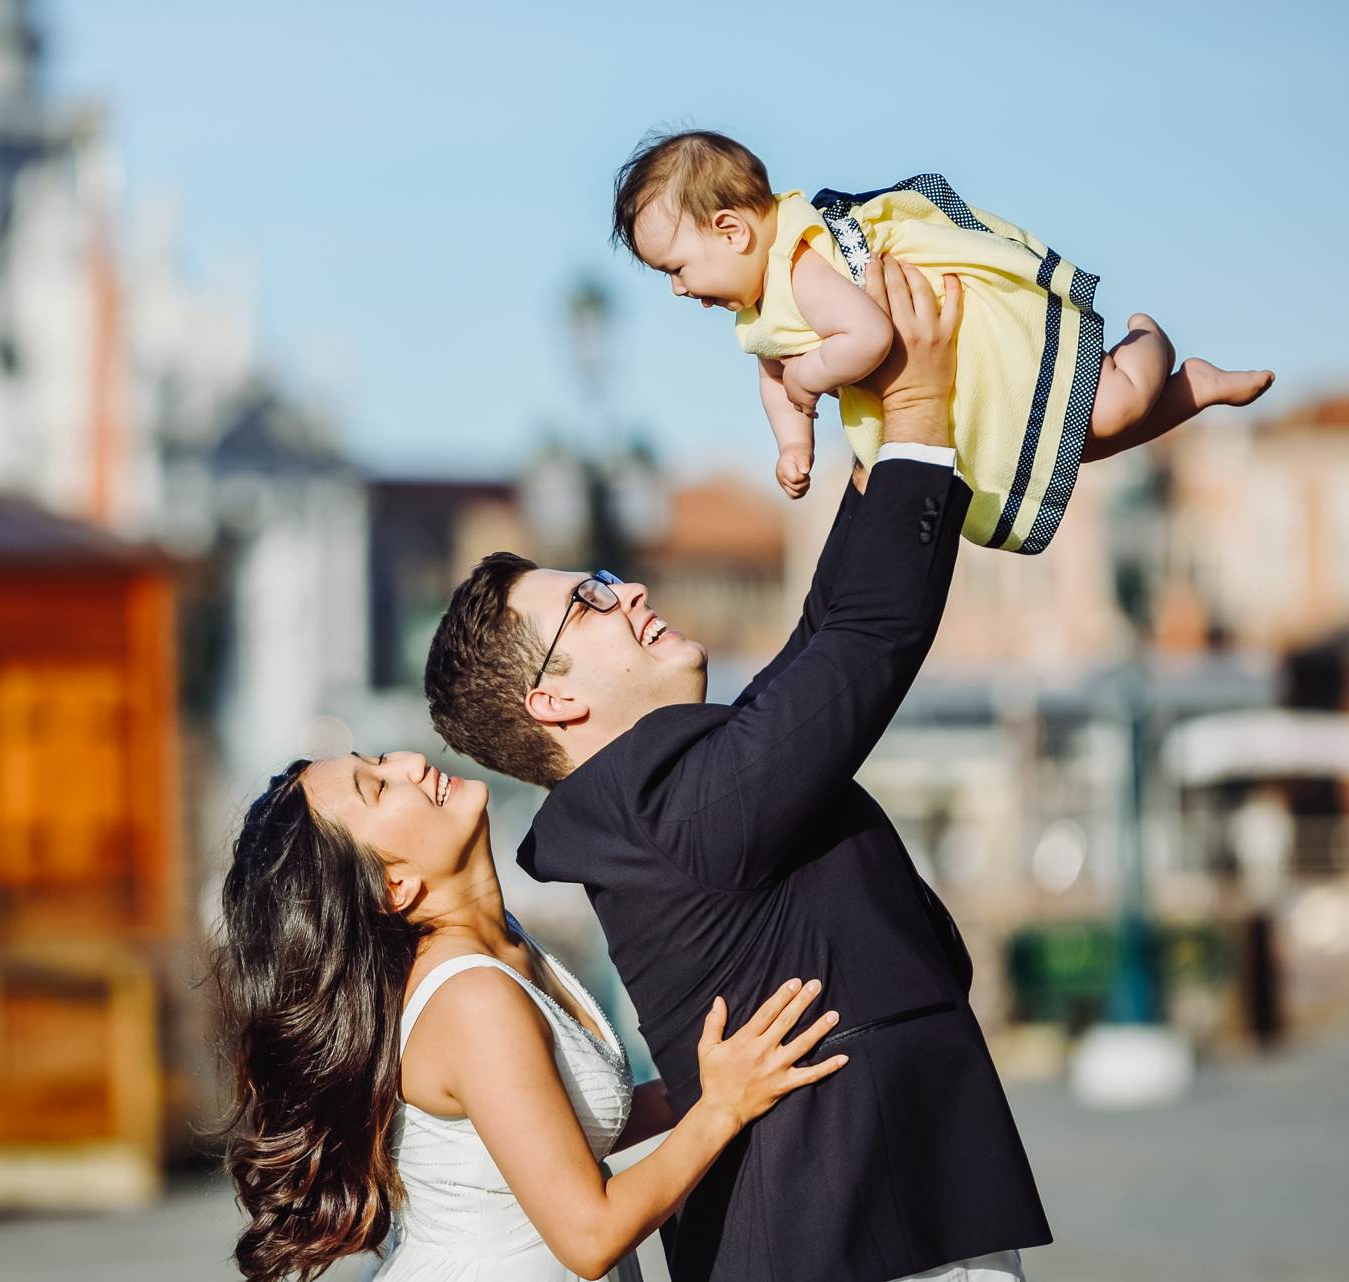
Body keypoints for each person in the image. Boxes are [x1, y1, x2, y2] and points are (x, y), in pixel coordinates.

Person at [424, 254, 1048, 1282]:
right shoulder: (666, 808)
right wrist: (923, 408)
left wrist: (879, 440)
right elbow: (861, 643)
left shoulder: (658, 793)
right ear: (554, 700)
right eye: (589, 603)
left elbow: (818, 639)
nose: (627, 595)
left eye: (607, 578)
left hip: (871, 1221)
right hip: (858, 1240)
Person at [216, 752, 851, 1282]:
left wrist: (720, 1080)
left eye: (380, 759)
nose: (411, 762)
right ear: (393, 886)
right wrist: (720, 1108)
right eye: (378, 786)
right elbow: (590, 1235)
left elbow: (555, 1130)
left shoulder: (504, 945)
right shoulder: (471, 999)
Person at [612, 129, 1272, 552]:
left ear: (731, 230)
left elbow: (866, 335)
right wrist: (794, 441)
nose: (677, 289)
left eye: (676, 268)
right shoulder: (762, 304)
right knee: (1069, 450)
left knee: (1112, 408)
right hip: (960, 385)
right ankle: (1194, 390)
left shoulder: (803, 266)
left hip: (988, 348)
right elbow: (774, 374)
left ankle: (1145, 341)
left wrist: (811, 378)